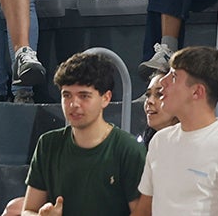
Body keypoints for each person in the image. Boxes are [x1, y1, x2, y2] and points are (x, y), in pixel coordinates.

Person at [135, 46, 218, 216]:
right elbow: (143, 212)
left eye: (173, 76)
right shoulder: (160, 141)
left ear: (197, 92)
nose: (163, 82)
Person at [19, 52, 144, 216]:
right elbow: (28, 210)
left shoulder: (129, 150)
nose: (73, 104)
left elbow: (142, 213)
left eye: (84, 96)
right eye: (66, 95)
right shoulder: (48, 144)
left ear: (106, 98)